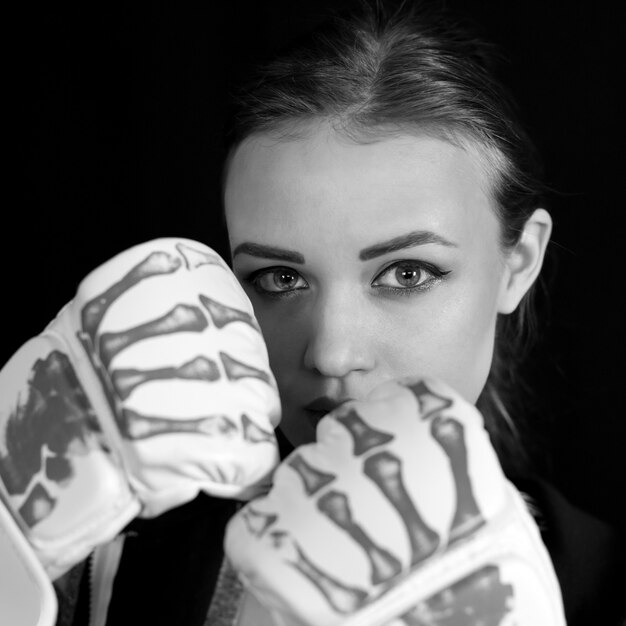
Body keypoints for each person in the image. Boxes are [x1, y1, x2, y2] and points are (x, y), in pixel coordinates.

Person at [2, 1, 623, 625]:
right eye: (280, 278)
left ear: (518, 263)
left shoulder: (610, 589)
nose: (331, 351)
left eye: (407, 273)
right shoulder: (96, 559)